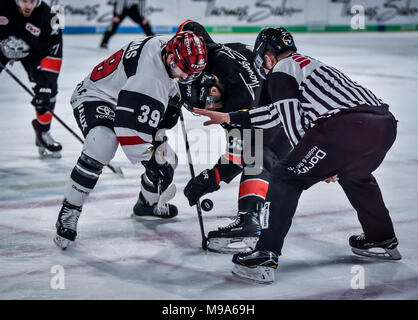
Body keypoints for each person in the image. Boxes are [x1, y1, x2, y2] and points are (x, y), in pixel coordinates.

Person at [194, 27, 400, 283]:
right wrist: (228, 117)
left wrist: (312, 163)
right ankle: (381, 239)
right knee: (355, 175)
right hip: (384, 125)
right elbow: (275, 114)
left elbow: (292, 124)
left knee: (285, 176)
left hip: (346, 127)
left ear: (267, 58)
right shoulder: (306, 65)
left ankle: (264, 256)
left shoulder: (280, 72)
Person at [53, 31, 207, 249]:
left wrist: (174, 101)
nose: (185, 78)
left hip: (125, 96)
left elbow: (188, 34)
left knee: (168, 159)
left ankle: (147, 204)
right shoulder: (149, 78)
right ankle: (70, 209)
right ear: (171, 58)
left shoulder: (167, 48)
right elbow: (129, 132)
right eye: (184, 72)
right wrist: (151, 161)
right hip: (97, 96)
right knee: (103, 143)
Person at [176, 20, 292, 254]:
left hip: (290, 124)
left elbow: (243, 152)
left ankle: (249, 219)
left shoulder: (238, 103)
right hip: (289, 109)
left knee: (259, 154)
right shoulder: (219, 54)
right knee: (257, 149)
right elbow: (190, 25)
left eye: (213, 103)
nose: (214, 108)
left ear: (215, 87)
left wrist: (212, 178)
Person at [0, 0, 63, 158]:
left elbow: (54, 53)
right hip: (2, 48)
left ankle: (43, 132)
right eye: (24, 1)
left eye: (32, 1)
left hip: (34, 55)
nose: (28, 6)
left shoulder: (51, 17)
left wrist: (45, 86)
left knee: (49, 91)